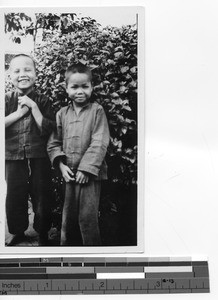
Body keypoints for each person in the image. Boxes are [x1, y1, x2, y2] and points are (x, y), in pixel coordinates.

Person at [47, 63, 110, 246]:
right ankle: (67, 256)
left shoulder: (97, 111)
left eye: (85, 86)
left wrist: (86, 169)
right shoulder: (61, 114)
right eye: (74, 87)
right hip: (69, 175)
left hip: (89, 177)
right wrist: (60, 165)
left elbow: (100, 141)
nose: (80, 91)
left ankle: (92, 256)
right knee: (68, 218)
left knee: (88, 218)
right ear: (66, 89)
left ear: (92, 87)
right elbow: (53, 143)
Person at [5, 54, 56, 246]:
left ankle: (42, 232)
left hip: (39, 156)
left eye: (28, 69)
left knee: (42, 193)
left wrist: (33, 107)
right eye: (17, 71)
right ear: (10, 76)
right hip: (12, 155)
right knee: (15, 194)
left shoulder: (43, 100)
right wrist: (18, 114)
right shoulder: (7, 100)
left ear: (36, 73)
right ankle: (18, 231)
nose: (22, 74)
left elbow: (48, 128)